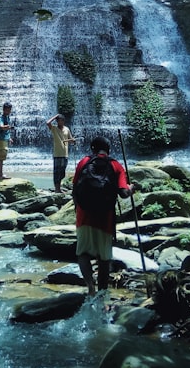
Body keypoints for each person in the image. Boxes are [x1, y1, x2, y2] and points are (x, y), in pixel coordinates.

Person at [72, 136, 132, 295]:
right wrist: (132, 188)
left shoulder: (84, 162)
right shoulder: (116, 165)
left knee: (83, 253)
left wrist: (77, 209)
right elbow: (124, 193)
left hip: (84, 216)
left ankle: (90, 287)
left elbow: (75, 189)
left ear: (93, 149)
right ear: (108, 149)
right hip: (105, 219)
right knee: (104, 258)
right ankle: (102, 294)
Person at [45, 114, 76, 192]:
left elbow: (71, 139)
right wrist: (56, 116)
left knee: (62, 173)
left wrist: (73, 141)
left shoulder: (67, 129)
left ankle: (58, 188)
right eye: (58, 121)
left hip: (65, 154)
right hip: (57, 154)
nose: (60, 122)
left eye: (61, 120)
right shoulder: (54, 128)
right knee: (56, 172)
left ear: (63, 121)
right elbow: (48, 123)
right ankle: (57, 189)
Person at [0, 102, 14, 180]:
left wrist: (9, 138)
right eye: (8, 110)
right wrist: (7, 127)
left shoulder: (7, 117)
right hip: (1, 140)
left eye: (10, 110)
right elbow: (1, 127)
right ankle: (0, 175)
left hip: (4, 139)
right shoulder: (1, 118)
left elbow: (6, 131)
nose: (9, 111)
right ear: (4, 110)